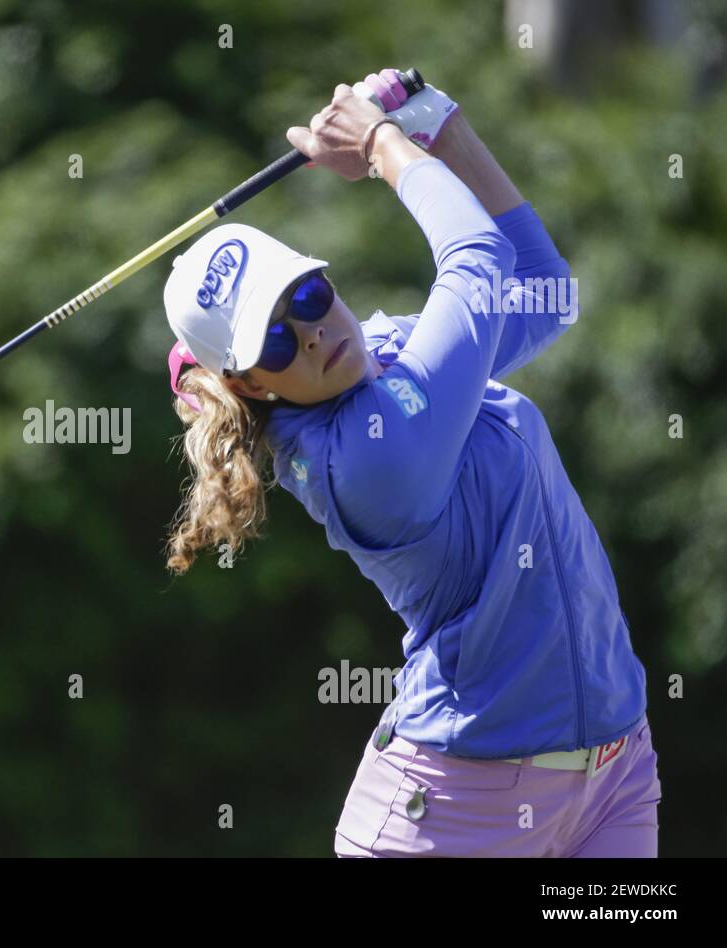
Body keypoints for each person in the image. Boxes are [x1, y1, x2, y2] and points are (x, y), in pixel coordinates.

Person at [160, 71, 661, 857]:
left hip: (613, 777)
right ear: (251, 384)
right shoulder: (364, 463)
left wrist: (440, 125)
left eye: (307, 296)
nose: (316, 332)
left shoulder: (390, 350)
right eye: (278, 340)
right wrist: (380, 146)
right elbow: (478, 260)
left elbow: (540, 293)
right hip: (457, 811)